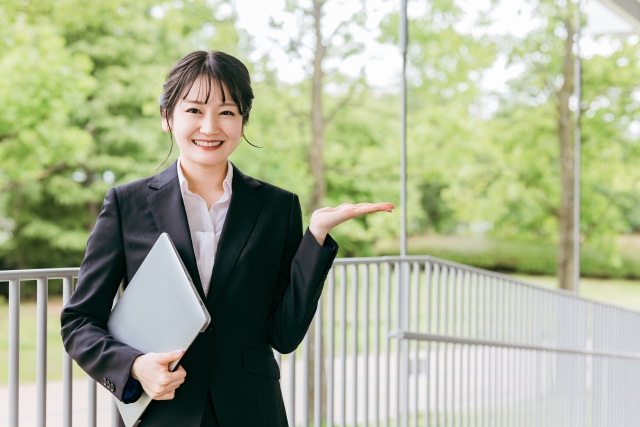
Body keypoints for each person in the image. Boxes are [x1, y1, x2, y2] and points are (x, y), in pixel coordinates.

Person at [60, 50, 393, 427]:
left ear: (243, 121)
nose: (210, 127)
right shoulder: (127, 205)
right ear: (167, 117)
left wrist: (315, 237)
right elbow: (79, 322)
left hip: (252, 411)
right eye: (194, 110)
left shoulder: (278, 207)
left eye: (227, 112)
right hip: (161, 412)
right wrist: (135, 367)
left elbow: (283, 335)